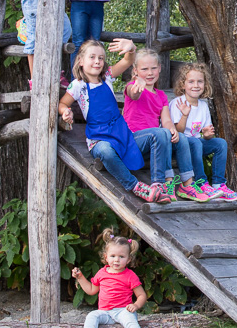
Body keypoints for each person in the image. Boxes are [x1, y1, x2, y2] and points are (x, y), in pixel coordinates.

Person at [59, 39, 171, 204]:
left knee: (161, 133)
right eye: (92, 57)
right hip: (99, 138)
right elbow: (62, 104)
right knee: (105, 151)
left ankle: (158, 184)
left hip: (123, 134)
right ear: (81, 60)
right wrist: (65, 112)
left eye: (101, 58)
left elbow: (128, 60)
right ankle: (136, 186)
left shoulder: (108, 77)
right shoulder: (78, 85)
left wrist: (131, 48)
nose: (97, 61)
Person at [123, 49, 217, 202]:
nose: (150, 73)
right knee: (161, 134)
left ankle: (187, 184)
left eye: (153, 68)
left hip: (154, 144)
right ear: (135, 70)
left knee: (178, 136)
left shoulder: (161, 96)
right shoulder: (133, 86)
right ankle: (159, 184)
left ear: (160, 68)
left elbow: (166, 120)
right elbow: (134, 93)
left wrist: (172, 130)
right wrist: (136, 84)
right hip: (133, 141)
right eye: (144, 69)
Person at [169, 63, 237, 201]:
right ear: (183, 84)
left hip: (196, 143)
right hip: (179, 144)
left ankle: (218, 184)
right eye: (191, 81)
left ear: (205, 84)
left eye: (200, 81)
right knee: (195, 142)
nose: (195, 85)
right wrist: (184, 115)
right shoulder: (177, 103)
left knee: (220, 143)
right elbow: (177, 131)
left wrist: (208, 135)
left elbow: (206, 132)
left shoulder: (203, 105)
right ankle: (201, 183)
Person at [72, 228, 147, 328]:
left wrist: (136, 305)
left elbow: (142, 295)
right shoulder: (102, 273)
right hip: (105, 312)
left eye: (121, 256)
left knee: (131, 322)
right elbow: (91, 290)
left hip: (123, 311)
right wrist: (80, 277)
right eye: (113, 256)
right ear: (106, 257)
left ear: (128, 259)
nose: (116, 260)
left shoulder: (130, 276)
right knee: (92, 315)